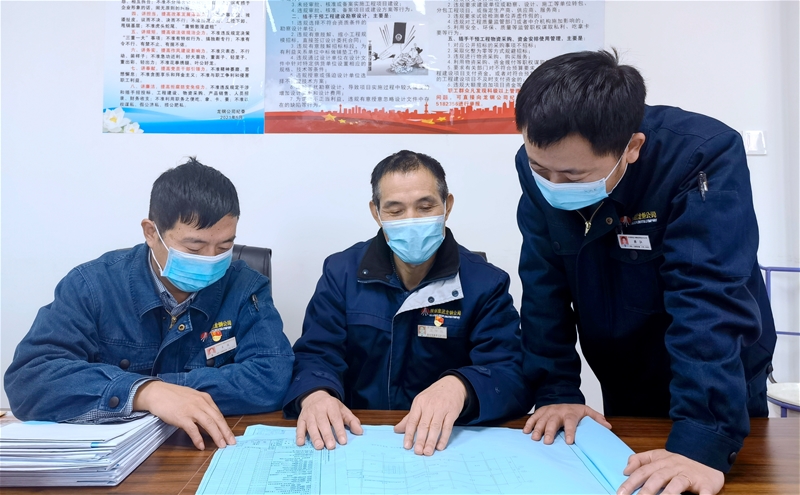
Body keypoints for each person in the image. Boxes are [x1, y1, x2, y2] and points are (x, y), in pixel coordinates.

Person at [513, 50, 776, 495]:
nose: (553, 186)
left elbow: (708, 297)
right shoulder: (539, 167)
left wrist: (703, 441)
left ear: (631, 148)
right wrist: (556, 391)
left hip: (718, 379)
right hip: (625, 368)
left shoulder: (701, 155)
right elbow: (543, 285)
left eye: (573, 177)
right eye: (541, 169)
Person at [5, 158, 294, 451]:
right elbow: (29, 380)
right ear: (151, 233)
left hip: (203, 451)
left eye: (224, 247)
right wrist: (146, 392)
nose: (210, 259)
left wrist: (172, 389)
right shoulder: (92, 286)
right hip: (113, 458)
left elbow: (273, 376)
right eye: (194, 247)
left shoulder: (245, 286)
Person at [284, 150, 531, 456]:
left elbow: (511, 374)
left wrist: (462, 386)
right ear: (376, 213)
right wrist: (315, 393)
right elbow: (316, 354)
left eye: (425, 207)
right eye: (395, 210)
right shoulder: (341, 273)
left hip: (445, 444)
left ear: (447, 206)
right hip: (356, 438)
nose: (411, 220)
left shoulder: (485, 283)